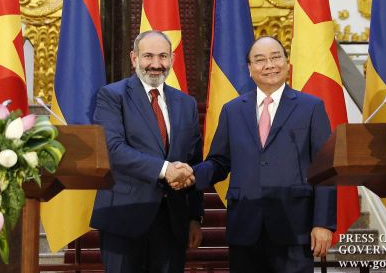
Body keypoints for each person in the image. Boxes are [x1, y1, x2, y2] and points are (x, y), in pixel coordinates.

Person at [180, 36, 336, 273]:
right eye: (260, 60)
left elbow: (325, 170)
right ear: (250, 69)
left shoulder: (311, 107)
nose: (270, 65)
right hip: (245, 226)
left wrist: (323, 223)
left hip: (294, 228)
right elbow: (220, 162)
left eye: (276, 57)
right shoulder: (232, 110)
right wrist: (191, 174)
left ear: (287, 62)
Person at [90, 30, 204, 273]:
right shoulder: (112, 96)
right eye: (148, 56)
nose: (156, 64)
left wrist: (195, 216)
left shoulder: (187, 104)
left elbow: (193, 160)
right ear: (134, 59)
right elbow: (113, 148)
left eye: (163, 56)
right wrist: (165, 170)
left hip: (172, 222)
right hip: (124, 217)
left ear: (172, 59)